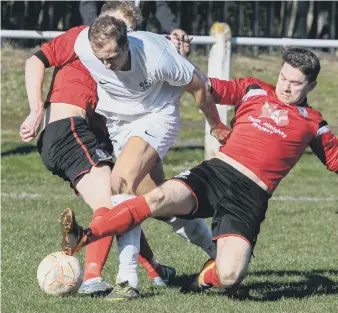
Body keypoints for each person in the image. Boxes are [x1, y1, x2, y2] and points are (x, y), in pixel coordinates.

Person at [59, 47, 337, 293]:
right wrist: (177, 61)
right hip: (216, 173)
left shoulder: (313, 123)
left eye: (295, 84)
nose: (285, 87)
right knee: (157, 197)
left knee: (230, 275)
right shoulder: (254, 89)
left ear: (310, 86)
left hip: (250, 197)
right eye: (283, 78)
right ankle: (86, 235)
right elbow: (205, 86)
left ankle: (202, 279)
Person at [20, 1, 217, 299]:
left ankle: (198, 257)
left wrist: (176, 46)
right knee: (116, 200)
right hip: (70, 131)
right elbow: (35, 59)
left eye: (124, 30)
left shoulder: (138, 50)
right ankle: (98, 276)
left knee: (153, 201)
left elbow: (187, 75)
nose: (106, 58)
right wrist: (35, 110)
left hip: (119, 128)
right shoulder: (84, 40)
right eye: (106, 27)